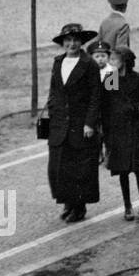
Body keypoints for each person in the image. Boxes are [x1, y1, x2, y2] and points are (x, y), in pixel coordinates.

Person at [42, 23, 103, 223]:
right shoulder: (58, 62)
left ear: (82, 42)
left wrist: (90, 123)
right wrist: (52, 112)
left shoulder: (90, 64)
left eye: (76, 40)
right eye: (68, 40)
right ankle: (68, 202)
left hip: (80, 124)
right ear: (63, 43)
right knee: (61, 167)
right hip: (60, 124)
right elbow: (54, 91)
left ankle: (79, 207)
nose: (72, 44)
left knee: (79, 168)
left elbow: (96, 96)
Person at [102, 46, 139, 222]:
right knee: (122, 170)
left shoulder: (138, 79)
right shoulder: (111, 78)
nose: (111, 63)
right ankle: (127, 205)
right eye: (111, 59)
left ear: (125, 61)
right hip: (117, 132)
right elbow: (106, 104)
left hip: (135, 130)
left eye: (114, 59)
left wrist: (133, 109)